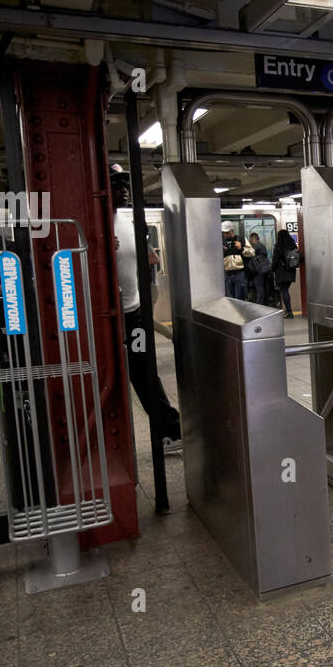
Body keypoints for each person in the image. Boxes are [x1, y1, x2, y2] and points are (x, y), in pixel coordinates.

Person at [112, 168, 183, 456]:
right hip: (110, 318)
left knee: (144, 372)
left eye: (125, 184)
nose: (124, 190)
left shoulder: (124, 220)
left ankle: (170, 431)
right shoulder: (92, 222)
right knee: (116, 376)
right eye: (116, 184)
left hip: (134, 312)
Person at [272, 228, 300, 319]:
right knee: (285, 291)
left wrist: (271, 270)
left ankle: (289, 312)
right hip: (291, 272)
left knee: (284, 291)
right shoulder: (292, 245)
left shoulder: (278, 246)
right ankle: (288, 310)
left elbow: (275, 260)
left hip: (281, 272)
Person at [222, 221, 252, 301]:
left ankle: (242, 313)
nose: (224, 234)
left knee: (240, 298)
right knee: (230, 299)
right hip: (228, 274)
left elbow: (252, 253)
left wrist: (241, 248)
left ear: (232, 231)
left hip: (240, 273)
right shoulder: (221, 242)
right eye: (223, 232)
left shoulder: (241, 239)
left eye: (226, 232)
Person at [246, 231, 272, 305]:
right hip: (267, 268)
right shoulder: (262, 245)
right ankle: (266, 303)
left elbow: (250, 254)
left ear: (253, 239)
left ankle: (259, 304)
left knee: (259, 287)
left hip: (259, 269)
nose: (250, 241)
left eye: (250, 240)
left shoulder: (255, 245)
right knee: (265, 287)